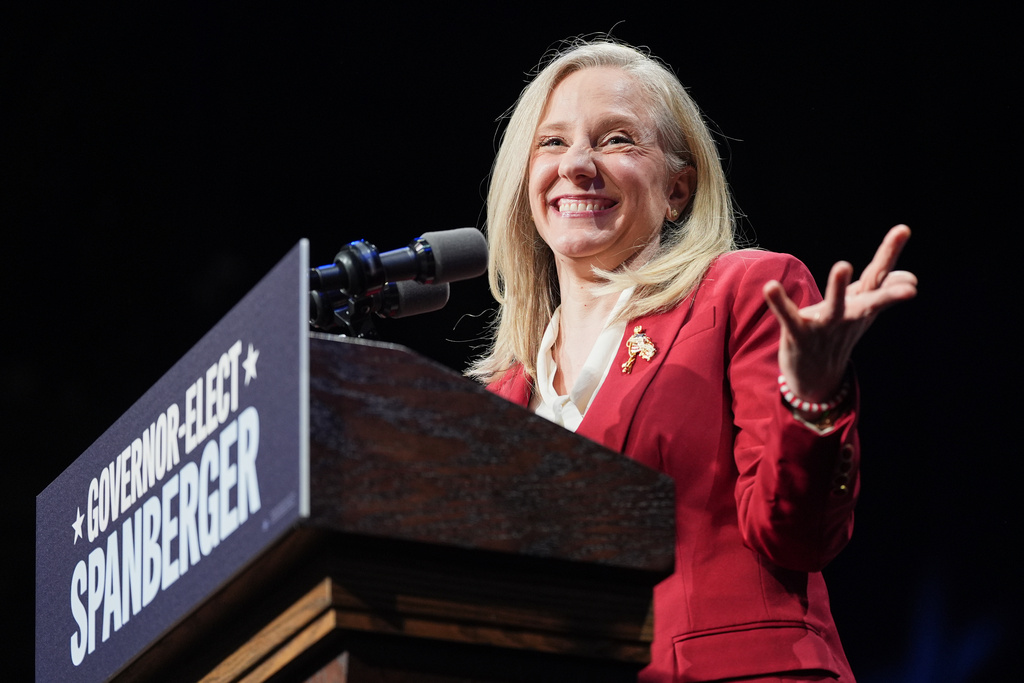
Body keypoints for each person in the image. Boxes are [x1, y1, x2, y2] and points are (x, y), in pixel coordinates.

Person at [469, 39, 917, 683]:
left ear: (678, 189)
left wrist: (813, 398)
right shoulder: (497, 398)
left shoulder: (744, 293)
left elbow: (799, 538)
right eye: (552, 143)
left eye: (617, 139)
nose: (577, 166)